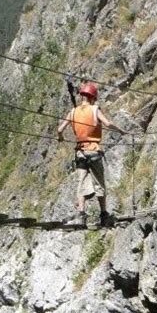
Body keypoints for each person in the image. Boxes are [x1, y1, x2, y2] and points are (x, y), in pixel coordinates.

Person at [57, 82, 127, 227]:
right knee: (99, 183)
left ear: (82, 96)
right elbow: (107, 123)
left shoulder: (73, 112)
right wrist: (121, 130)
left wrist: (61, 138)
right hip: (94, 151)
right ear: (93, 97)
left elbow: (59, 130)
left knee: (81, 183)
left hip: (80, 153)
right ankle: (103, 215)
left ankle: (81, 215)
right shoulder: (95, 110)